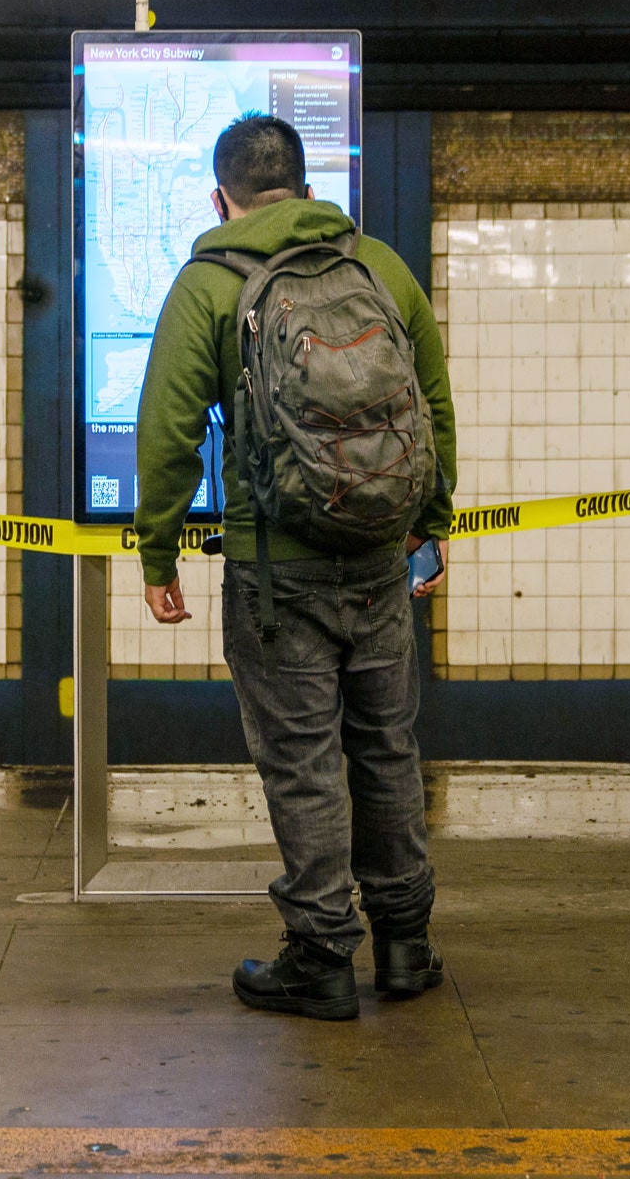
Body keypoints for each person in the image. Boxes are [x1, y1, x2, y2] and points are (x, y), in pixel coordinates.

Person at [133, 112, 457, 1022]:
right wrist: (429, 526)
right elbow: (433, 401)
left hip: (277, 575)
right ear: (310, 189)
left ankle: (320, 957)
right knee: (387, 745)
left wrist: (159, 551)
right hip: (380, 562)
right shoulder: (379, 265)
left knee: (303, 761)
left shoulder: (207, 282)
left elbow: (167, 432)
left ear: (219, 197)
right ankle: (405, 946)